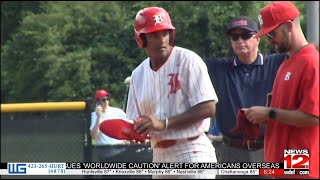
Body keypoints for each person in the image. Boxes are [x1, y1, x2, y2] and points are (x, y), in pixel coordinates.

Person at [126, 7, 218, 179]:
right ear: (141, 39)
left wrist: (164, 123)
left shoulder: (189, 60)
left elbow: (208, 107)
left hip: (193, 150)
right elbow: (135, 121)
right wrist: (133, 132)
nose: (161, 40)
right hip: (159, 157)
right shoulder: (138, 75)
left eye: (164, 33)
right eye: (154, 35)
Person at [243, 1, 319, 179]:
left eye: (272, 33)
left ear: (288, 26)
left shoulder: (312, 62)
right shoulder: (286, 62)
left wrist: (269, 113)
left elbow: (314, 117)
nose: (269, 39)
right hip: (282, 163)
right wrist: (261, 115)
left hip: (300, 162)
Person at [206, 16, 286, 179]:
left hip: (268, 149)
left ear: (258, 38)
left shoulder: (276, 62)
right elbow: (188, 64)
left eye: (245, 35)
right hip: (231, 151)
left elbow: (307, 52)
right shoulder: (220, 68)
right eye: (234, 37)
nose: (239, 40)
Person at [90, 89, 128, 162]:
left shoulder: (117, 112)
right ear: (98, 102)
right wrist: (99, 117)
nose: (106, 101)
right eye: (103, 100)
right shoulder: (93, 116)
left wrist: (127, 139)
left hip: (121, 148)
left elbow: (129, 125)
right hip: (105, 150)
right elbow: (94, 136)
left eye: (107, 99)